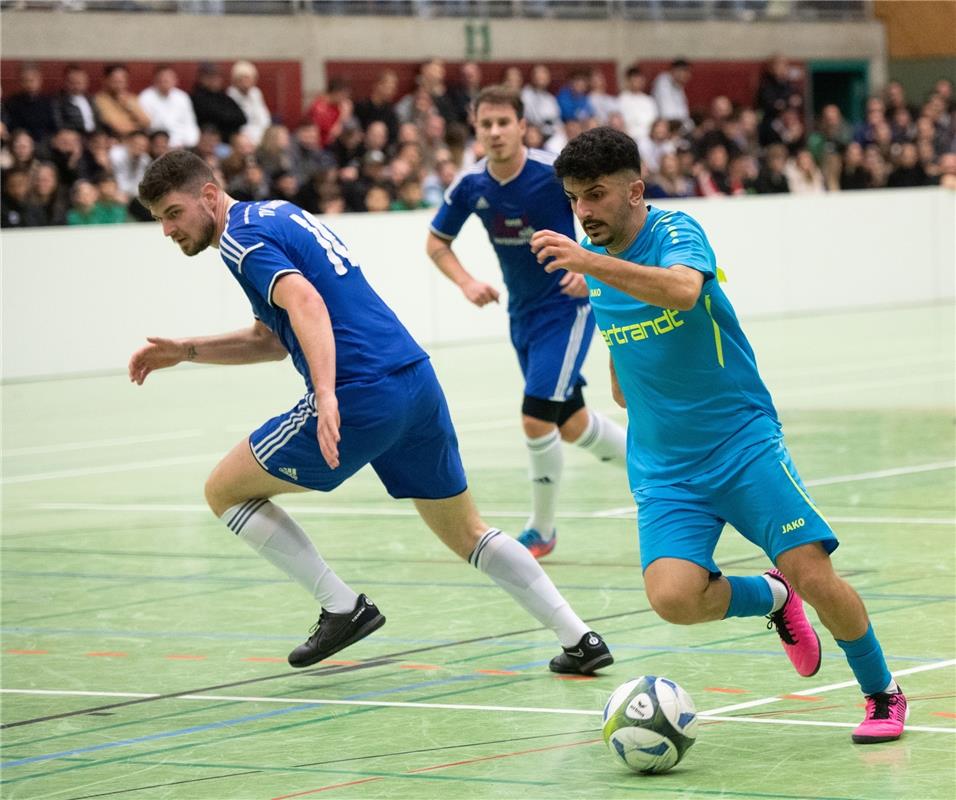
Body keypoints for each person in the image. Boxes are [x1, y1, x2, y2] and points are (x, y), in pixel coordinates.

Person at [127, 149, 613, 675]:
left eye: (173, 214)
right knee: (467, 532)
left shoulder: (239, 240)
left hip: (360, 390)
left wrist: (327, 394)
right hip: (414, 380)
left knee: (223, 491)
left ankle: (341, 607)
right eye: (159, 220)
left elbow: (307, 305)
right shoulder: (279, 214)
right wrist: (186, 349)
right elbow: (271, 338)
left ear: (207, 195)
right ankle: (580, 638)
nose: (167, 230)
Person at [530, 125, 907, 744]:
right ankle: (770, 599)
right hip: (664, 465)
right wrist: (622, 384)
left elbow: (682, 290)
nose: (583, 212)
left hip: (741, 444)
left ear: (634, 191)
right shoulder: (594, 259)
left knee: (815, 574)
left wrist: (589, 263)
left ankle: (881, 692)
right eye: (574, 198)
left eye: (595, 195)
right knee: (674, 598)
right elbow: (617, 341)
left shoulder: (675, 233)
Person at [426, 86, 627, 560]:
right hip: (522, 313)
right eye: (485, 124)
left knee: (536, 418)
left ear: (522, 126)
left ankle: (541, 530)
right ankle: (660, 469)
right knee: (573, 423)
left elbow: (611, 217)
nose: (494, 132)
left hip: (566, 308)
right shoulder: (471, 185)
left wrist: (590, 264)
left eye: (503, 123)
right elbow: (436, 242)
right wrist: (466, 283)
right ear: (475, 130)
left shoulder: (553, 174)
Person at [138, 64, 200, 149]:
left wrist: (190, 142)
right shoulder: (146, 97)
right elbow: (149, 126)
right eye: (162, 79)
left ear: (175, 80)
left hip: (183, 144)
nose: (165, 81)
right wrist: (168, 144)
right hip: (157, 142)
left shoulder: (182, 97)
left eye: (168, 78)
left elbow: (190, 123)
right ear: (155, 81)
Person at [227, 60, 272, 147]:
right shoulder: (229, 96)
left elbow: (264, 118)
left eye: (249, 78)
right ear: (235, 80)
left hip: (261, 136)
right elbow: (239, 126)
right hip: (242, 139)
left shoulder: (256, 93)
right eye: (242, 78)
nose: (246, 82)